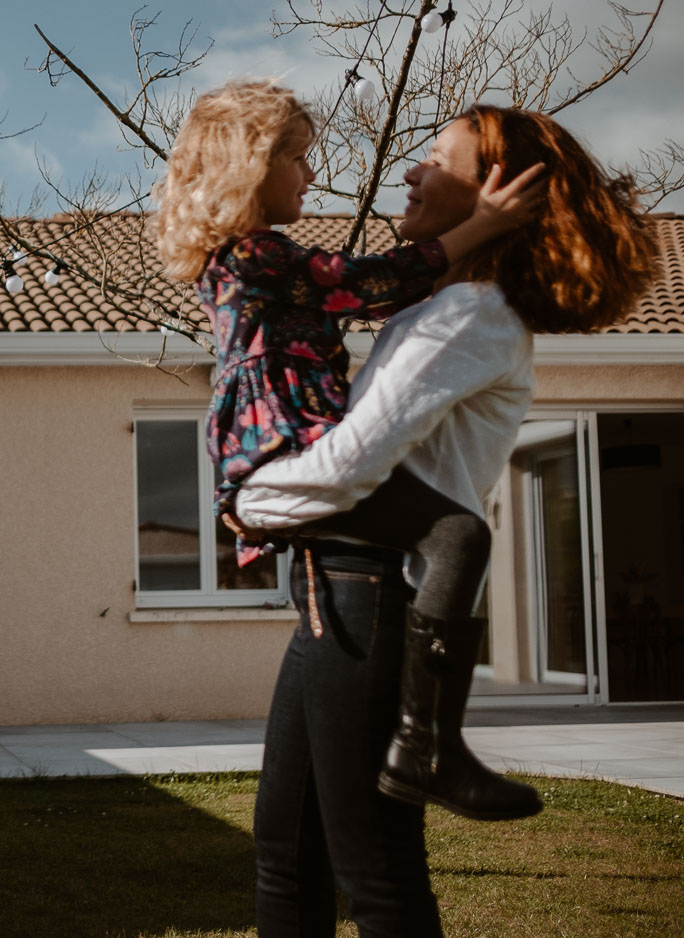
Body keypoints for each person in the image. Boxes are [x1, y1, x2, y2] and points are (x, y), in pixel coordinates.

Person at [230, 106, 657, 935]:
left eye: (435, 157)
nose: (410, 172)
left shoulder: (471, 317)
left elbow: (354, 462)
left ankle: (434, 746)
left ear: (495, 187)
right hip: (336, 592)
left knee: (373, 869)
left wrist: (251, 504)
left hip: (372, 594)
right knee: (288, 851)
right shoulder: (443, 305)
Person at [152, 79, 545, 818]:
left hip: (281, 449)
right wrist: (476, 226)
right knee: (460, 534)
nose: (311, 175)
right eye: (298, 159)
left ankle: (431, 740)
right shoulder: (253, 258)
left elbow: (380, 294)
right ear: (249, 167)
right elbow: (364, 281)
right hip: (280, 446)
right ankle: (431, 741)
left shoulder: (256, 262)